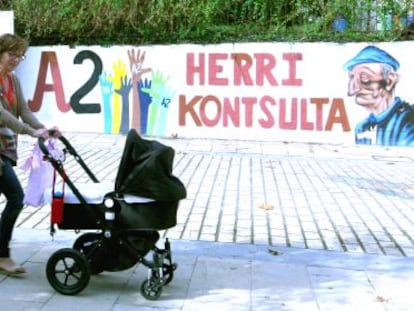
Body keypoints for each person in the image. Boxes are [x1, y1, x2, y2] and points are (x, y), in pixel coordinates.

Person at [0, 33, 61, 274]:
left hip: (5, 148)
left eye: (20, 55)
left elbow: (24, 111)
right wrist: (29, 132)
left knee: (13, 198)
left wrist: (43, 130)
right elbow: (2, 115)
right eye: (11, 54)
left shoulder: (13, 81)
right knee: (15, 197)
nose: (16, 59)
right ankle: (2, 256)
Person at [344, 45, 414, 146]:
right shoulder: (363, 127)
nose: (353, 89)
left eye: (364, 77)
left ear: (389, 81)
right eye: (352, 77)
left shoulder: (408, 121)